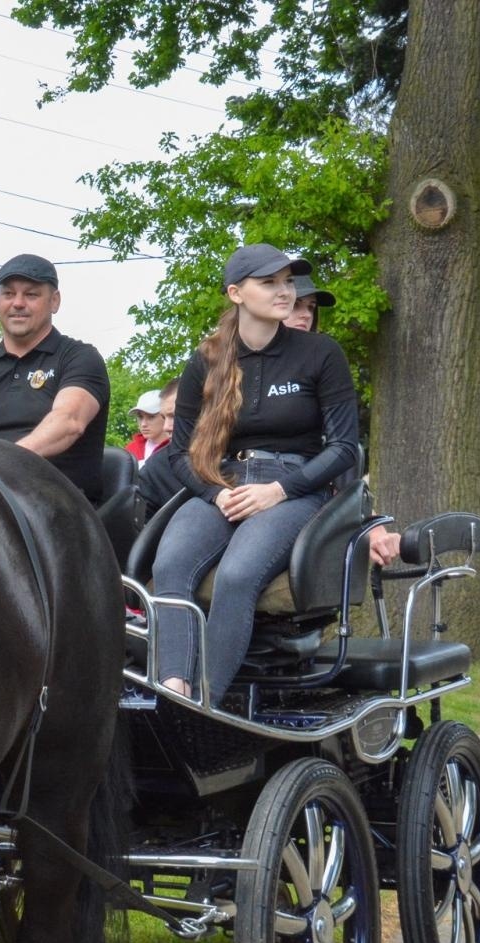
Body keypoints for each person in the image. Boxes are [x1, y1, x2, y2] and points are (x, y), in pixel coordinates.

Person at [151, 243, 361, 704]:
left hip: (295, 487)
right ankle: (173, 692)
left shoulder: (321, 353)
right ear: (236, 293)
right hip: (224, 483)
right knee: (169, 565)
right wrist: (213, 495)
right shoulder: (205, 360)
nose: (284, 291)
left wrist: (279, 491)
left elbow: (345, 447)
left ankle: (205, 702)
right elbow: (180, 452)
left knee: (238, 575)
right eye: (269, 283)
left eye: (287, 281)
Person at [0, 253, 111, 502]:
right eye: (8, 294)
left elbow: (68, 421)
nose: (18, 303)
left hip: (61, 503)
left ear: (54, 301)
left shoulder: (79, 358)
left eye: (31, 294)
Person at [282, 274, 400, 567]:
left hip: (308, 493)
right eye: (298, 305)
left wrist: (368, 522)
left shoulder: (323, 361)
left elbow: (342, 451)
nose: (306, 314)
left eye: (310, 307)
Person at [135, 377, 184, 518]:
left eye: (174, 416)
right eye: (164, 417)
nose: (166, 427)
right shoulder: (155, 468)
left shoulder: (241, 456)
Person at [124, 388, 168, 466]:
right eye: (140, 417)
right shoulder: (130, 450)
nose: (143, 424)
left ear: (165, 415)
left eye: (151, 417)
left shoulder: (179, 448)